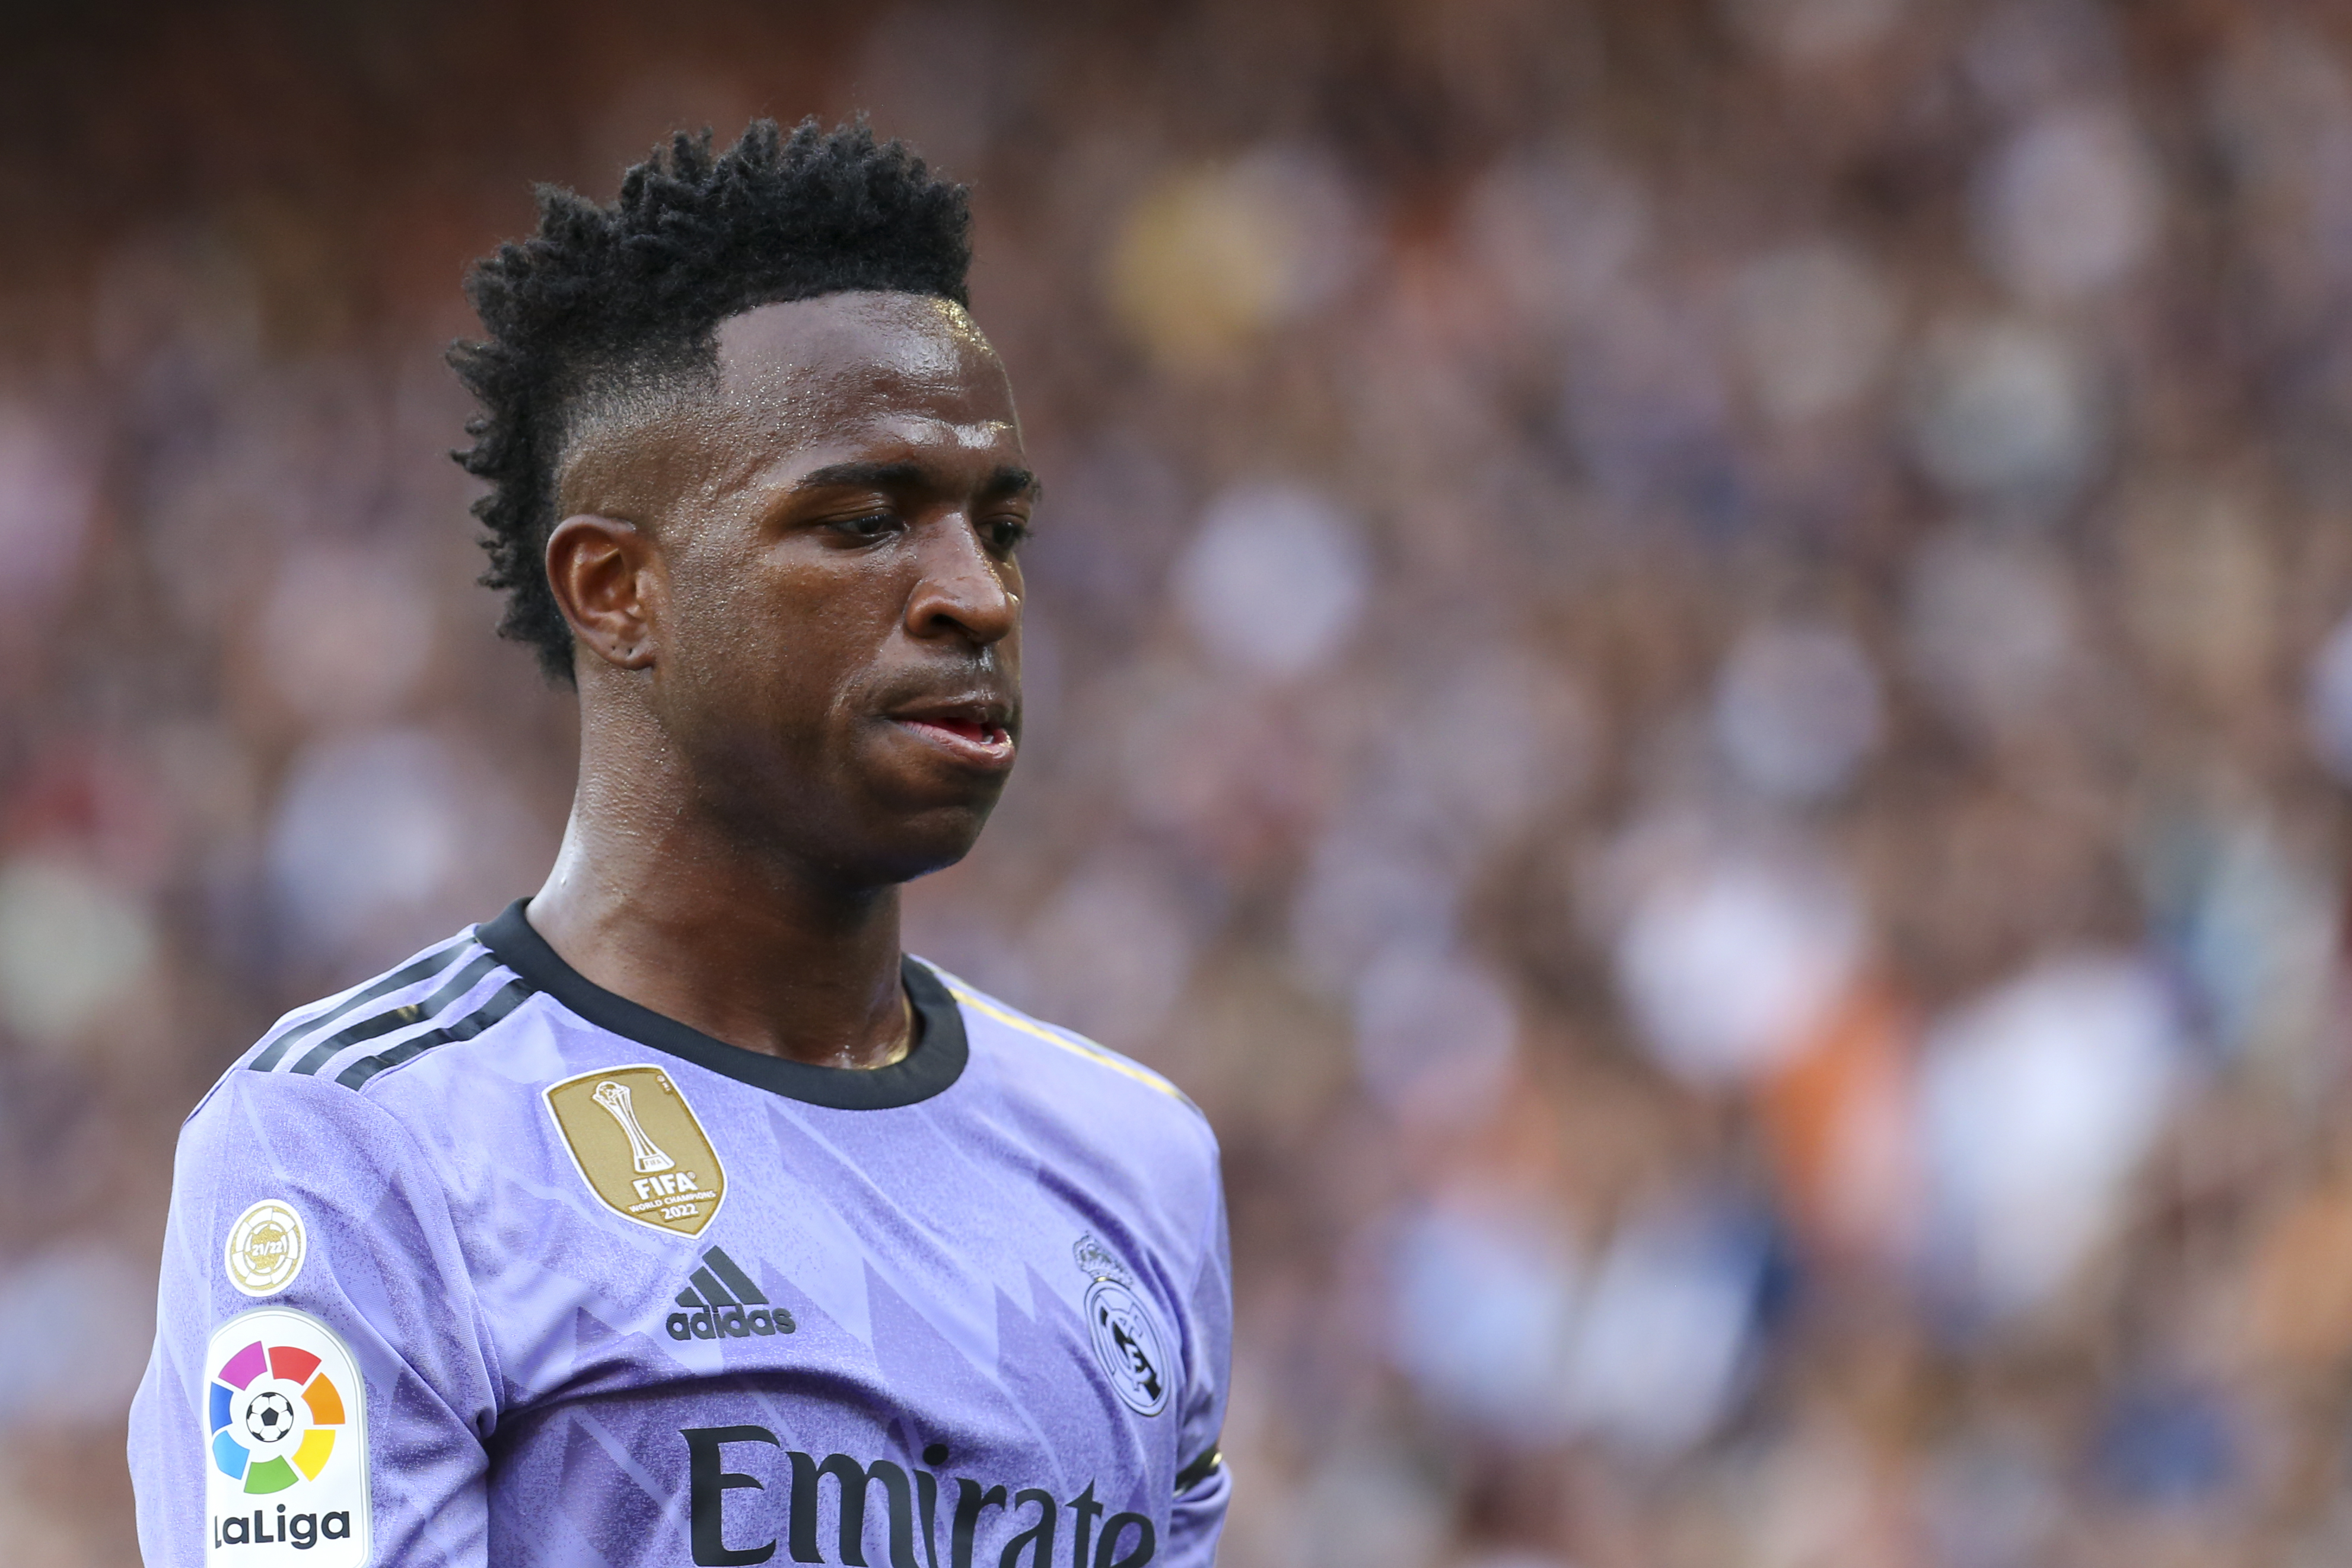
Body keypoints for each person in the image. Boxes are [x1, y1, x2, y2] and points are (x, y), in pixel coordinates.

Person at [127, 120, 1230, 1568]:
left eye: (1000, 525)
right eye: (862, 520)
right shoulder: (360, 1147)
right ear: (616, 589)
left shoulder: (1135, 1154)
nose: (980, 595)